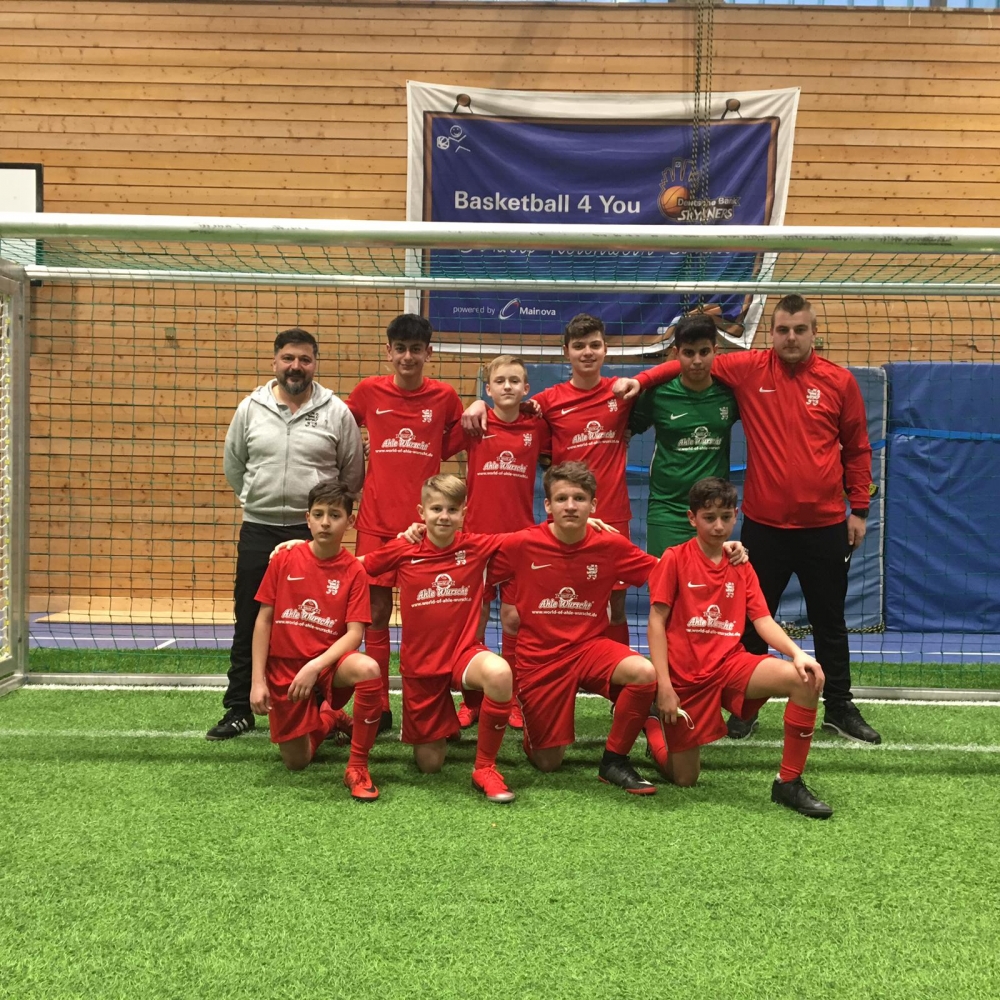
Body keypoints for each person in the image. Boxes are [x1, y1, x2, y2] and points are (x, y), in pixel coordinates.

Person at [615, 294, 880, 745]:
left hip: (825, 525)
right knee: (749, 622)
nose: (791, 338)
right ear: (771, 334)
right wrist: (640, 379)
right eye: (783, 330)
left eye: (800, 330)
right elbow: (687, 364)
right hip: (765, 526)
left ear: (814, 333)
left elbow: (857, 448)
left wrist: (859, 509)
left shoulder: (839, 381)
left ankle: (839, 706)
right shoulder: (748, 369)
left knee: (830, 621)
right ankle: (743, 708)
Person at [487, 461, 746, 794]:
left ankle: (614, 760)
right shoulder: (520, 544)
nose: (570, 506)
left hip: (589, 648)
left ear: (593, 505)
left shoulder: (610, 545)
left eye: (579, 499)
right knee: (548, 762)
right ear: (548, 505)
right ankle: (536, 725)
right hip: (540, 658)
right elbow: (467, 555)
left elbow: (670, 570)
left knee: (644, 672)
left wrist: (717, 549)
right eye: (562, 499)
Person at [209, 328, 364, 741]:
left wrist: (323, 516)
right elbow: (234, 464)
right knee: (251, 618)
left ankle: (322, 710)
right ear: (275, 362)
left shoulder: (336, 412)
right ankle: (239, 707)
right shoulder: (250, 408)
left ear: (315, 364)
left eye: (305, 359)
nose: (296, 366)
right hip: (259, 528)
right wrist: (255, 498)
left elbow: (351, 473)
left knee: (315, 623)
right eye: (289, 358)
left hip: (312, 531)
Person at [645, 477, 832, 818]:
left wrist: (798, 654)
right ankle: (653, 726)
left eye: (726, 517)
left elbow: (763, 620)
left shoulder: (741, 564)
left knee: (805, 678)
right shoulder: (674, 559)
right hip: (685, 678)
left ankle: (788, 782)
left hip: (730, 665)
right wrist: (664, 687)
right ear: (692, 518)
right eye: (709, 518)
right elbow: (656, 622)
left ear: (736, 516)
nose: (718, 526)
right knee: (685, 778)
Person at [464, 315, 636, 647]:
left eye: (595, 345)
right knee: (559, 603)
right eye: (579, 346)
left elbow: (668, 373)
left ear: (606, 349)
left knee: (614, 608)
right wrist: (477, 404)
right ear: (566, 351)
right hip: (563, 518)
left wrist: (642, 380)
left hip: (612, 514)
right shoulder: (544, 405)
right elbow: (508, 413)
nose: (587, 352)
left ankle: (615, 675)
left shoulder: (624, 393)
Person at [361, 474, 517, 803]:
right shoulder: (403, 548)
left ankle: (485, 768)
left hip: (464, 653)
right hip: (422, 665)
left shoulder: (477, 546)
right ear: (421, 512)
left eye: (452, 509)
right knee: (429, 765)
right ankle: (445, 720)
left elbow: (534, 538)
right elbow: (355, 566)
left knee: (500, 672)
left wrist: (583, 524)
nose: (444, 516)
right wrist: (299, 550)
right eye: (436, 509)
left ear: (463, 513)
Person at [346, 314, 464, 734]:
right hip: (376, 523)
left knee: (425, 618)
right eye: (400, 349)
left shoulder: (445, 396)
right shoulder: (368, 391)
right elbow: (339, 425)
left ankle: (427, 702)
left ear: (429, 353)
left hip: (427, 527)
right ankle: (378, 704)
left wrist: (480, 405)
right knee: (376, 614)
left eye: (416, 349)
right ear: (389, 352)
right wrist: (357, 450)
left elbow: (462, 433)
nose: (408, 357)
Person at [250, 481, 383, 800]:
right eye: (319, 514)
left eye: (335, 515)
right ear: (307, 518)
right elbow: (263, 620)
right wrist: (257, 681)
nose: (325, 522)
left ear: (349, 521)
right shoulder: (283, 559)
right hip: (285, 667)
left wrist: (314, 666)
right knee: (297, 762)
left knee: (368, 668)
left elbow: (355, 633)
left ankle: (358, 767)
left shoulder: (354, 570)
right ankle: (330, 718)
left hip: (327, 665)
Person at [446, 355, 550, 731]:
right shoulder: (475, 423)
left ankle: (513, 699)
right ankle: (472, 701)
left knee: (514, 619)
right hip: (475, 539)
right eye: (500, 381)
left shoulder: (537, 426)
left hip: (519, 540)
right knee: (473, 620)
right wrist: (472, 405)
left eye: (514, 381)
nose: (507, 386)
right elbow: (439, 448)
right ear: (488, 389)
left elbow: (563, 446)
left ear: (526, 389)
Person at [628, 313, 739, 556]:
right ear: (676, 353)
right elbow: (623, 430)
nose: (697, 361)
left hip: (712, 512)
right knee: (664, 579)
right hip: (666, 511)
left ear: (715, 351)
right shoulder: (658, 394)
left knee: (708, 579)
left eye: (704, 352)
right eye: (689, 353)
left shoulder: (730, 395)